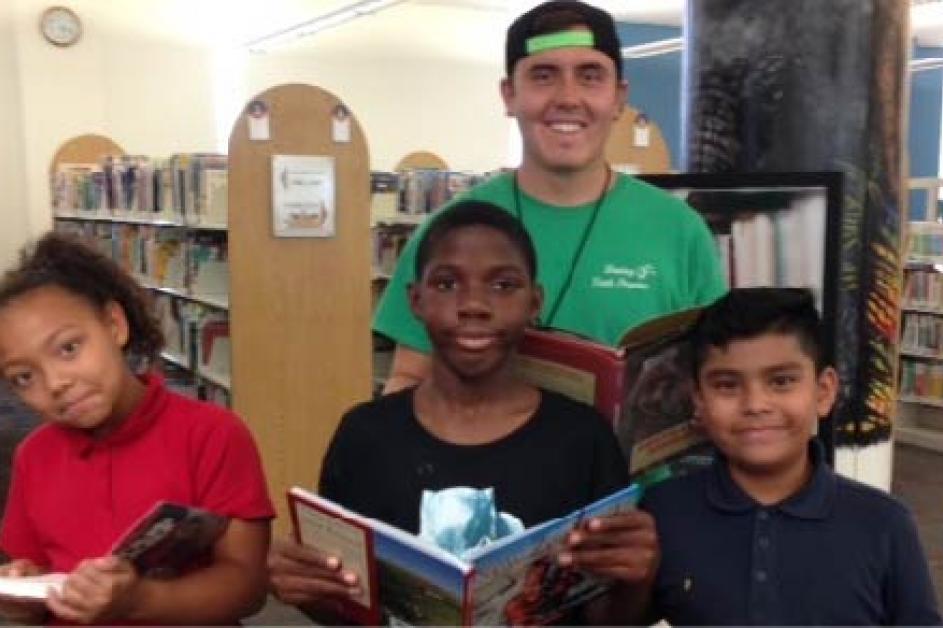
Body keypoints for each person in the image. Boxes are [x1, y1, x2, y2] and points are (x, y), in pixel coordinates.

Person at [269, 201, 658, 624]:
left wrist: (638, 576)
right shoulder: (365, 435)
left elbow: (605, 618)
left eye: (504, 285)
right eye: (447, 283)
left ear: (534, 302)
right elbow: (344, 606)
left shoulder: (583, 439)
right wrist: (307, 590)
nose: (474, 304)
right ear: (415, 300)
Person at [374, 0, 727, 393]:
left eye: (590, 76)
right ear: (509, 95)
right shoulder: (453, 230)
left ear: (619, 97)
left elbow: (713, 378)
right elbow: (410, 377)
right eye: (544, 76)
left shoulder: (679, 230)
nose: (568, 97)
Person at [0, 233, 274, 625]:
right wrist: (23, 591)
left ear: (114, 325)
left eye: (68, 348)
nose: (56, 382)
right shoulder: (33, 456)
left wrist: (138, 600)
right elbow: (35, 573)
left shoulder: (212, 434)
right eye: (25, 377)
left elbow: (246, 585)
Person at [641, 287, 942, 625]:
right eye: (727, 385)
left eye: (782, 381)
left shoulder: (885, 525)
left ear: (824, 392)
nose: (755, 405)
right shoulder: (662, 512)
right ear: (698, 401)